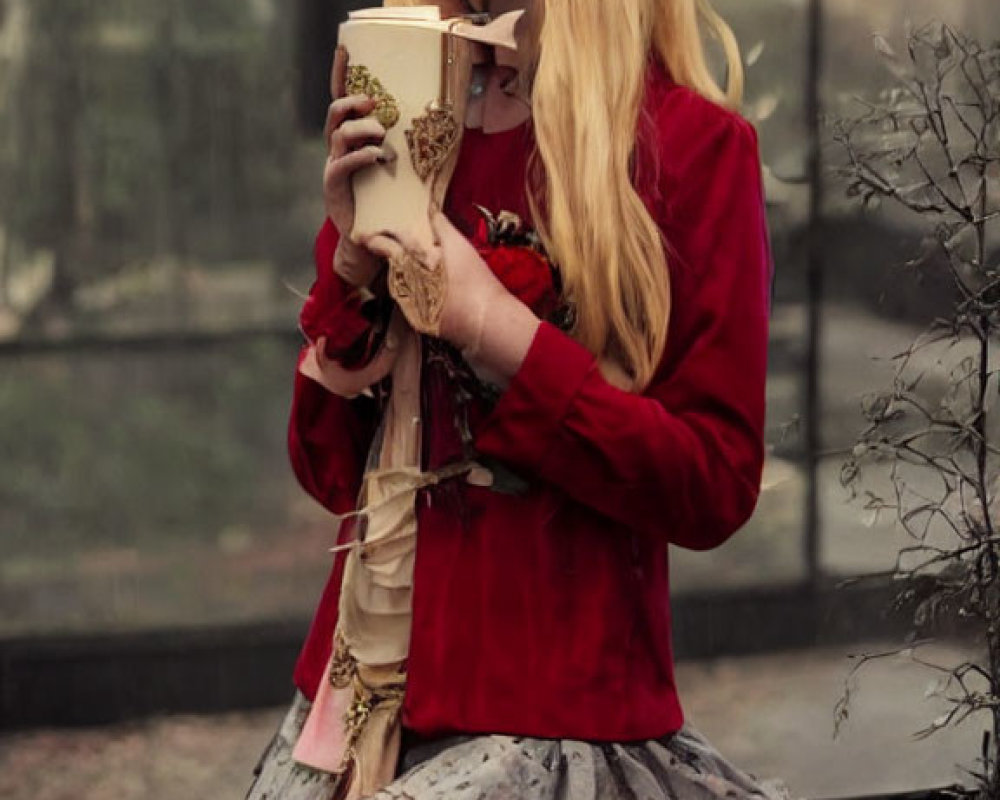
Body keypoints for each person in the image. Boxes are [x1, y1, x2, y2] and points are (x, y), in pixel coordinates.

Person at [247, 0, 784, 797]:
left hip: (555, 719)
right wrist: (348, 282)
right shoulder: (412, 115)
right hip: (358, 714)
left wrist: (503, 336)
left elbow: (714, 483)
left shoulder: (691, 147)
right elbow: (328, 474)